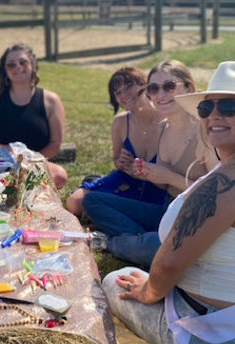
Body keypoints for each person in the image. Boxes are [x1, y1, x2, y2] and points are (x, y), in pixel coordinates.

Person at [104, 61, 235, 343]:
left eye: (227, 107)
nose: (213, 116)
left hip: (227, 333)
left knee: (114, 280)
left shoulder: (228, 182)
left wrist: (147, 292)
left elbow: (166, 267)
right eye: (206, 108)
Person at [82, 60, 217, 268]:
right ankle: (144, 242)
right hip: (166, 209)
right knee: (92, 201)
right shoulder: (165, 127)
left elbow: (216, 196)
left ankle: (117, 243)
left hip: (193, 218)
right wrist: (144, 172)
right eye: (154, 88)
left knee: (157, 249)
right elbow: (162, 185)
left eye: (169, 86)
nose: (160, 95)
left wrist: (168, 176)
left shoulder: (205, 131)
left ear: (188, 87)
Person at [66, 67, 165, 216]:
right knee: (74, 203)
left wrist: (144, 171)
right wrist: (122, 163)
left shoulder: (166, 121)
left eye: (129, 87)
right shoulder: (120, 122)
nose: (124, 95)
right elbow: (116, 159)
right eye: (118, 92)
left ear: (145, 86)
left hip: (157, 187)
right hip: (125, 181)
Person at [0, 43, 68, 189]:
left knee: (60, 176)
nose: (18, 67)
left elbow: (55, 143)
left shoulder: (51, 101)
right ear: (5, 70)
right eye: (11, 65)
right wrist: (6, 151)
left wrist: (31, 161)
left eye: (23, 62)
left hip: (35, 164)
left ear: (33, 65)